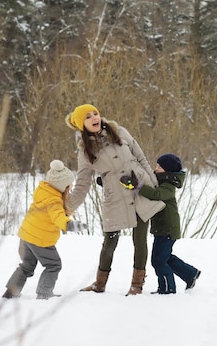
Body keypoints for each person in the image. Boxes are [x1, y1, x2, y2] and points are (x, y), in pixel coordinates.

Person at [64, 104, 164, 295]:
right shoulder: (85, 151)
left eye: (96, 113)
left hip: (140, 188)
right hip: (115, 196)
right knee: (110, 241)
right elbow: (83, 184)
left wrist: (154, 185)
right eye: (88, 117)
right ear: (81, 125)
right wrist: (66, 207)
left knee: (140, 239)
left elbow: (141, 157)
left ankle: (137, 284)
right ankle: (99, 284)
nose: (94, 117)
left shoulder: (120, 132)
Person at [3, 159, 87, 300]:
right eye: (69, 185)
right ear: (61, 186)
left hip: (26, 236)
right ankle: (44, 293)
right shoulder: (54, 201)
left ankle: (11, 292)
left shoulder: (43, 191)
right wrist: (70, 225)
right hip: (40, 240)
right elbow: (58, 217)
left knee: (27, 265)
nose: (71, 187)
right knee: (53, 265)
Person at [120, 153, 201, 294]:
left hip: (168, 229)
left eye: (159, 167)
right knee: (165, 257)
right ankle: (190, 274)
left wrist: (137, 186)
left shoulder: (168, 186)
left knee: (158, 261)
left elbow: (155, 195)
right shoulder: (160, 181)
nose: (155, 169)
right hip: (162, 229)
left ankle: (168, 289)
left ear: (167, 171)